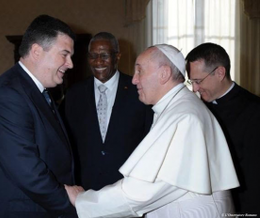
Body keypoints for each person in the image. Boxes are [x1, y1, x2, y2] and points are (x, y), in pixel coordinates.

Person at [65, 44, 240, 218]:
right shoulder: (177, 108)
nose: (134, 80)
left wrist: (82, 200)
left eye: (140, 71)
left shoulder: (184, 117)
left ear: (164, 74)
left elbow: (142, 191)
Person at [0, 15, 79, 218]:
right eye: (64, 54)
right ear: (36, 51)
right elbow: (26, 170)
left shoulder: (34, 91)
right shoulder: (6, 96)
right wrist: (67, 198)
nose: (70, 64)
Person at [60, 32, 152, 191]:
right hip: (85, 188)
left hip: (128, 187)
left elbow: (149, 138)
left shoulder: (138, 91)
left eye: (104, 55)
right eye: (93, 56)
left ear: (117, 56)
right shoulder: (74, 94)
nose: (98, 61)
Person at [186, 42, 260, 215]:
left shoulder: (254, 111)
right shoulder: (198, 105)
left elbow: (255, 178)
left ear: (220, 73)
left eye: (198, 81)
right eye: (192, 81)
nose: (194, 89)